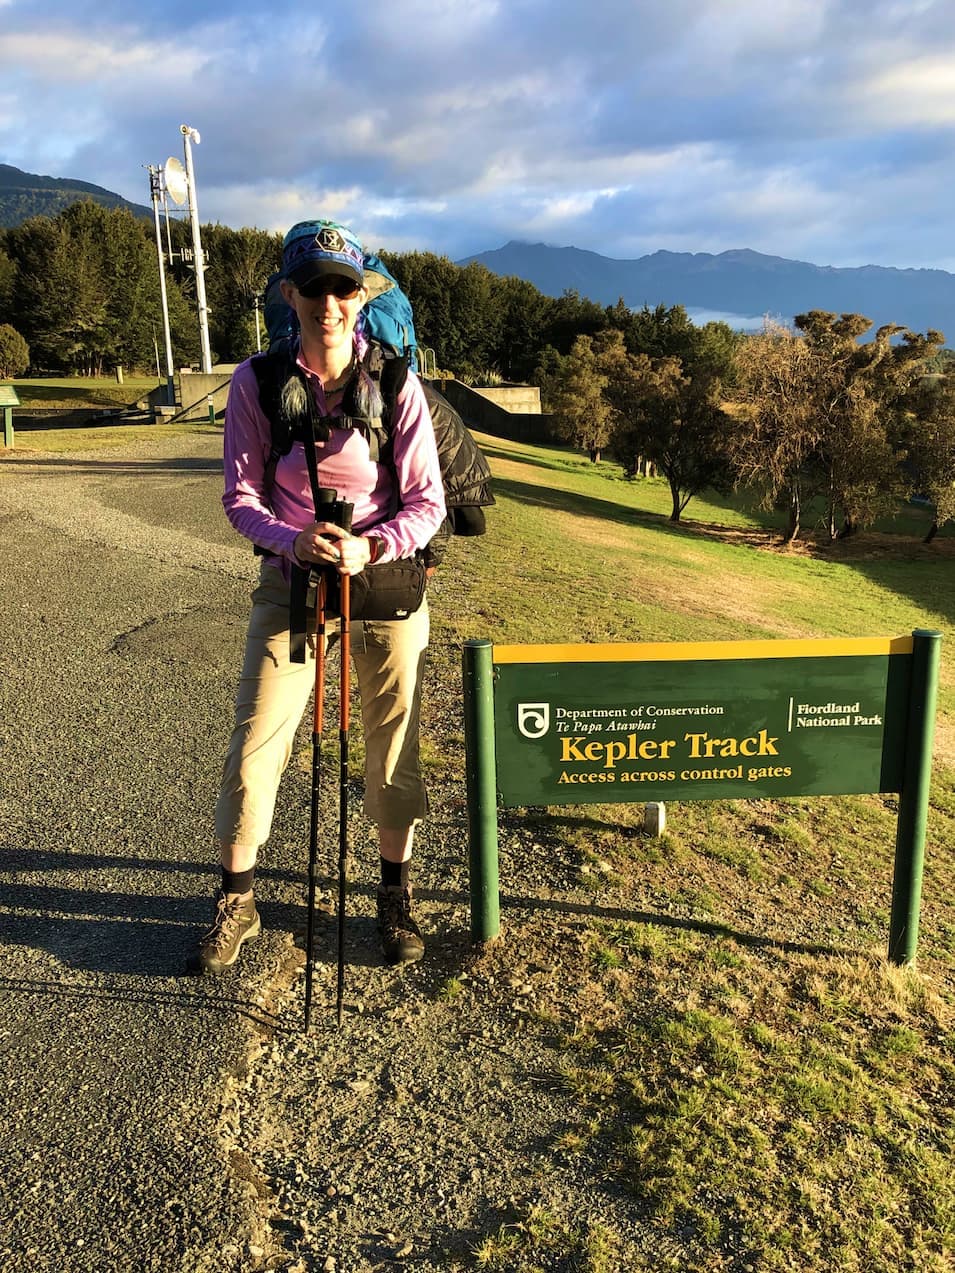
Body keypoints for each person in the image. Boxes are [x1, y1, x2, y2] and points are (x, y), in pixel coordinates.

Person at [192, 218, 446, 975]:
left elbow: (426, 502)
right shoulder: (257, 382)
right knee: (255, 741)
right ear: (289, 294)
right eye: (314, 288)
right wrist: (290, 539)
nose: (329, 303)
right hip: (290, 584)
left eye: (342, 287)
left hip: (384, 585)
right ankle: (237, 898)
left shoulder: (397, 384)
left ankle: (392, 893)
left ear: (358, 296)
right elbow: (239, 497)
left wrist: (369, 544)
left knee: (392, 746)